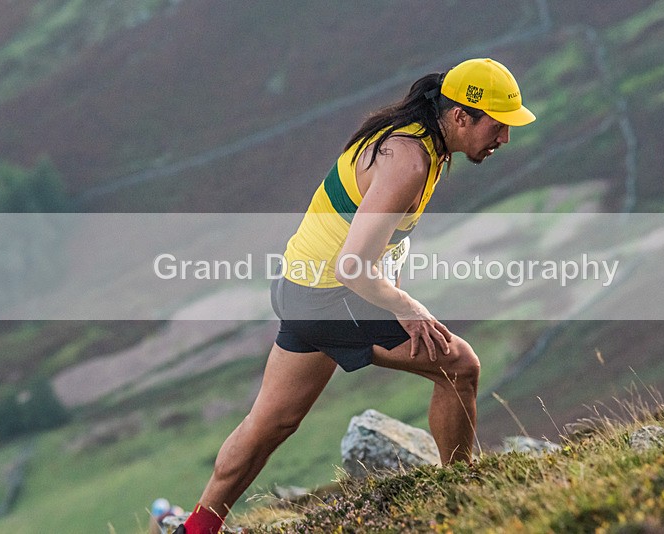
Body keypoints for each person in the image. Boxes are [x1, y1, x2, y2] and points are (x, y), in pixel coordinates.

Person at [176, 57, 535, 534]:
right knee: (459, 367)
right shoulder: (408, 159)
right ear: (461, 116)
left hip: (302, 287)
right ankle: (461, 495)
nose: (505, 138)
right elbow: (352, 266)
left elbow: (379, 241)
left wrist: (393, 294)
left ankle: (195, 529)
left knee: (271, 424)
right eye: (499, 125)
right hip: (329, 294)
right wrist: (408, 308)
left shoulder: (417, 138)